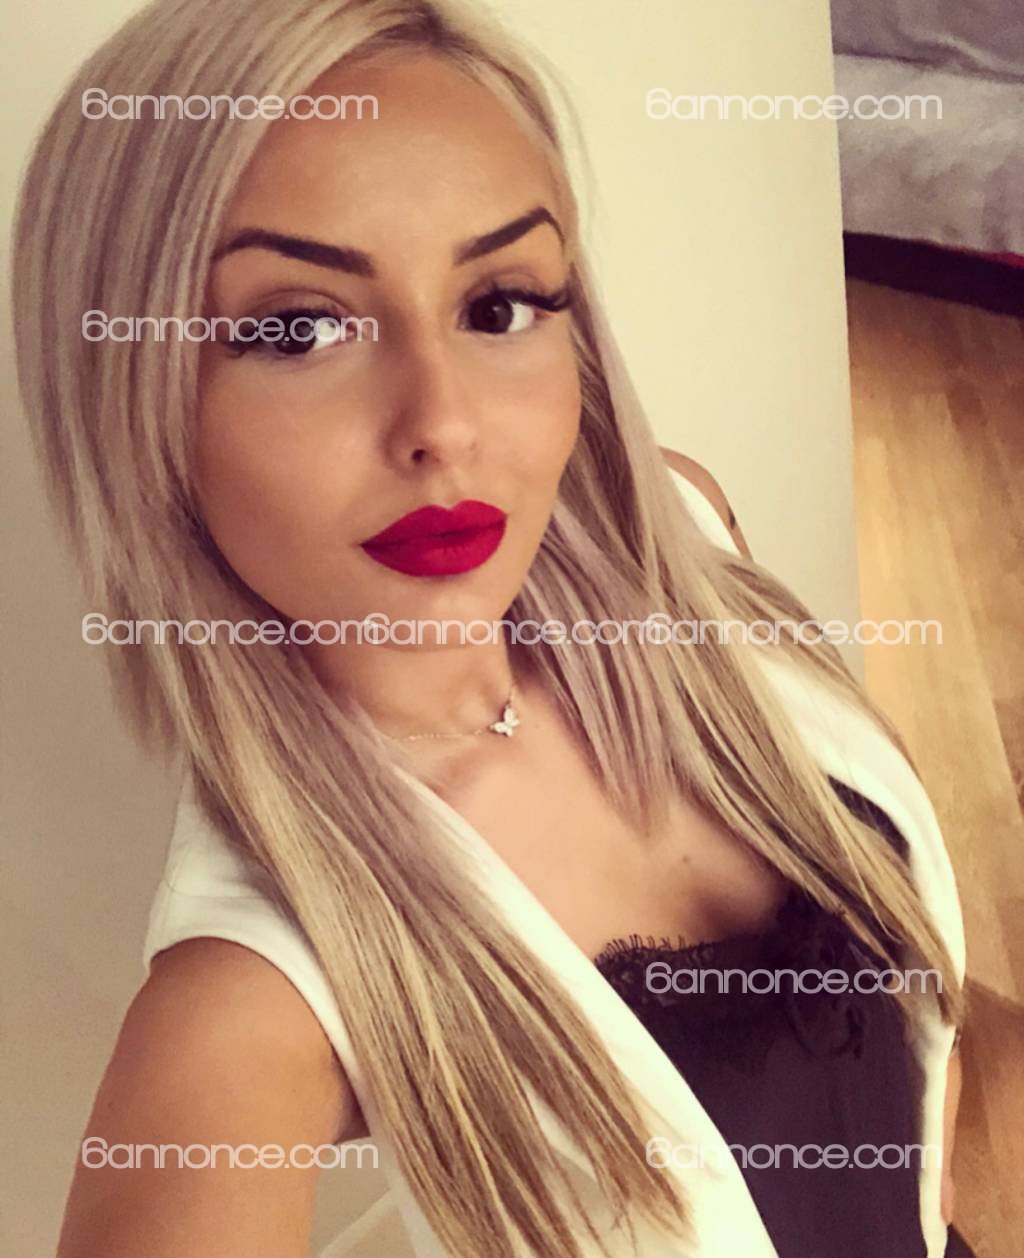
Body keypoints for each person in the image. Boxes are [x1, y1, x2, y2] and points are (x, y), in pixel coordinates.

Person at [13, 1, 970, 1254]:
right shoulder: (248, 995)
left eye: (500, 303)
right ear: (132, 398)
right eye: (297, 328)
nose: (442, 425)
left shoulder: (686, 536)